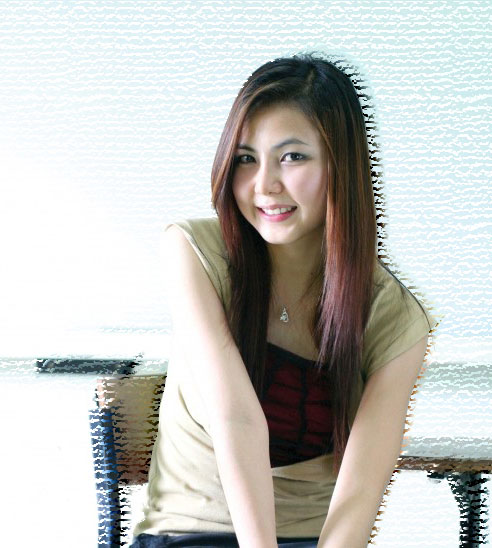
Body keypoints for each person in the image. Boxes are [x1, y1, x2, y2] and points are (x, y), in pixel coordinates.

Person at [131, 52, 439, 548]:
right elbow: (237, 417)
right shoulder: (196, 252)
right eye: (246, 159)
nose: (264, 185)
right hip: (190, 532)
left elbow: (361, 491)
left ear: (341, 166)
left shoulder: (394, 316)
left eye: (292, 157)